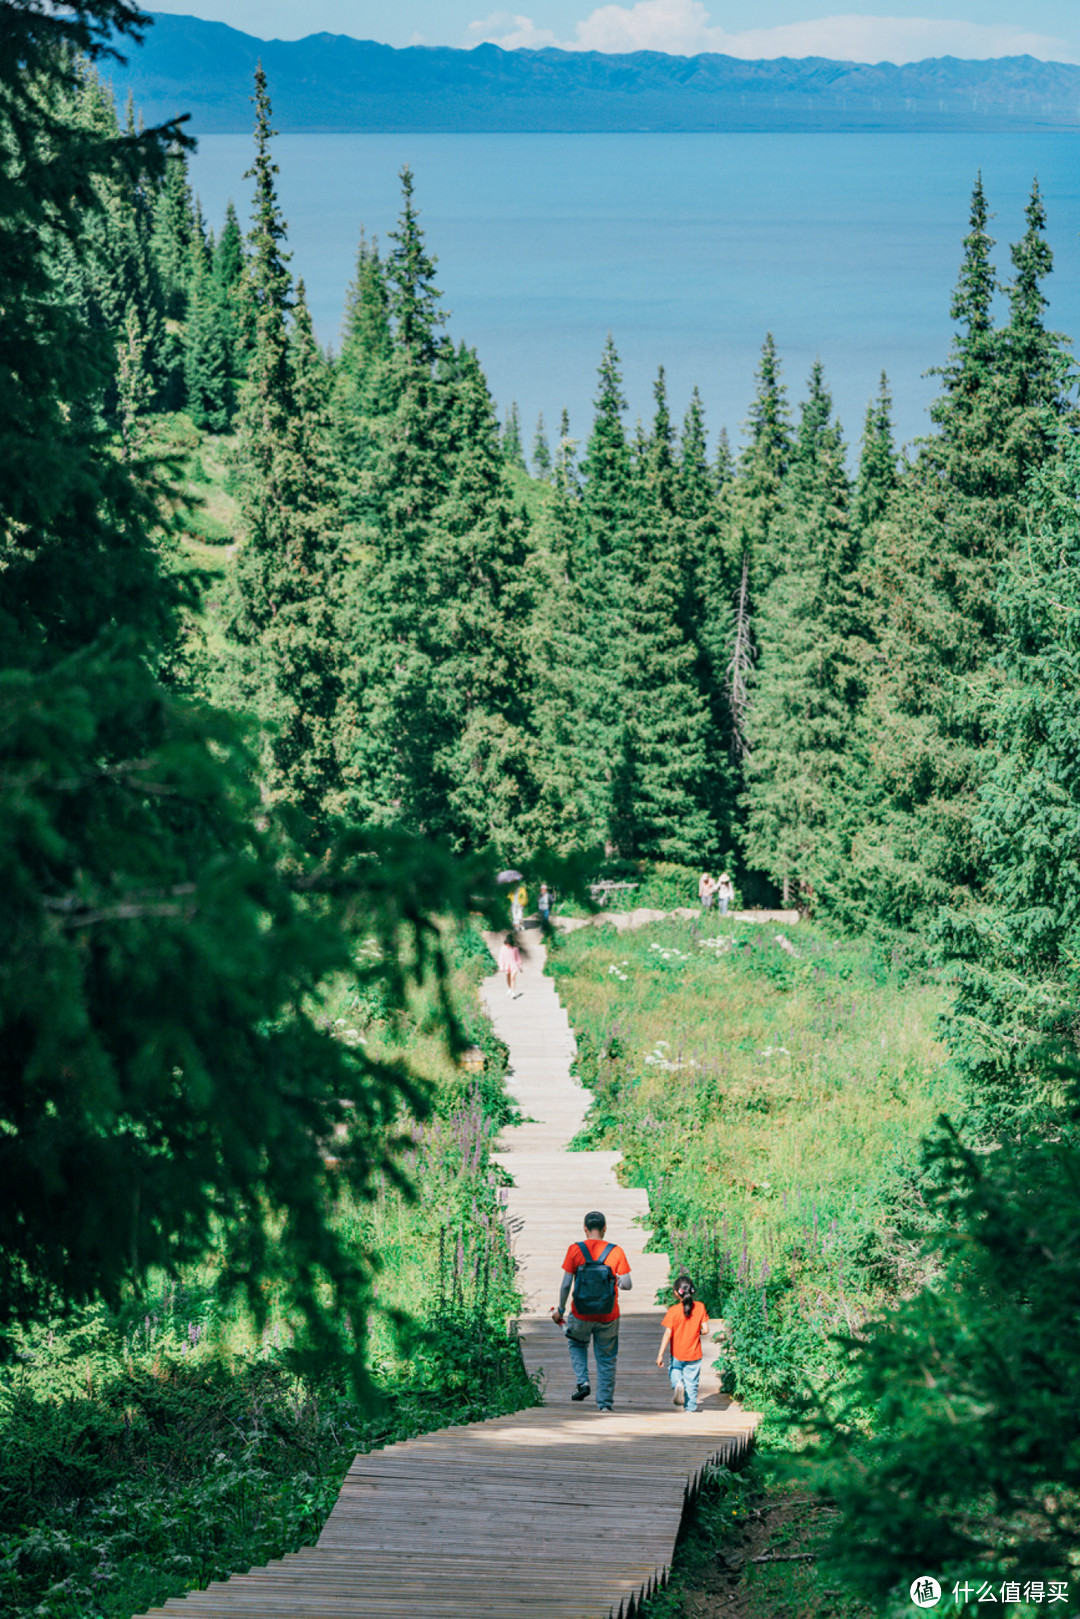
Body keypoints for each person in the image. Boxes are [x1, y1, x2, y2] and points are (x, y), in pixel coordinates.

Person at [551, 1211, 632, 1411]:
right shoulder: (616, 1251)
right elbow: (628, 1284)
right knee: (606, 1358)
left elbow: (565, 1285)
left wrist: (560, 1310)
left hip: (581, 1313)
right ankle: (604, 1404)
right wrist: (617, 1281)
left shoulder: (575, 1250)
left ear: (585, 1228)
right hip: (608, 1315)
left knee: (577, 1343)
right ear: (605, 1229)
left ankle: (583, 1381)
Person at [656, 1274, 711, 1412]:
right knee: (692, 1383)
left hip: (677, 1354)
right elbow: (705, 1330)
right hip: (694, 1355)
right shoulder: (700, 1307)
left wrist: (660, 1354)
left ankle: (678, 1383)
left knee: (674, 1370)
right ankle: (690, 1410)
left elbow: (667, 1334)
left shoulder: (673, 1311)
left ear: (676, 1293)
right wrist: (696, 1331)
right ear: (693, 1291)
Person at [498, 932, 522, 997]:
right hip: (506, 965)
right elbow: (501, 957)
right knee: (508, 977)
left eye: (509, 943)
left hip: (514, 965)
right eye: (507, 943)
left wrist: (519, 966)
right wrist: (501, 966)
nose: (508, 945)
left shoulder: (515, 949)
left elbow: (518, 957)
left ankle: (513, 992)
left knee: (513, 978)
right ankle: (509, 988)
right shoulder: (503, 948)